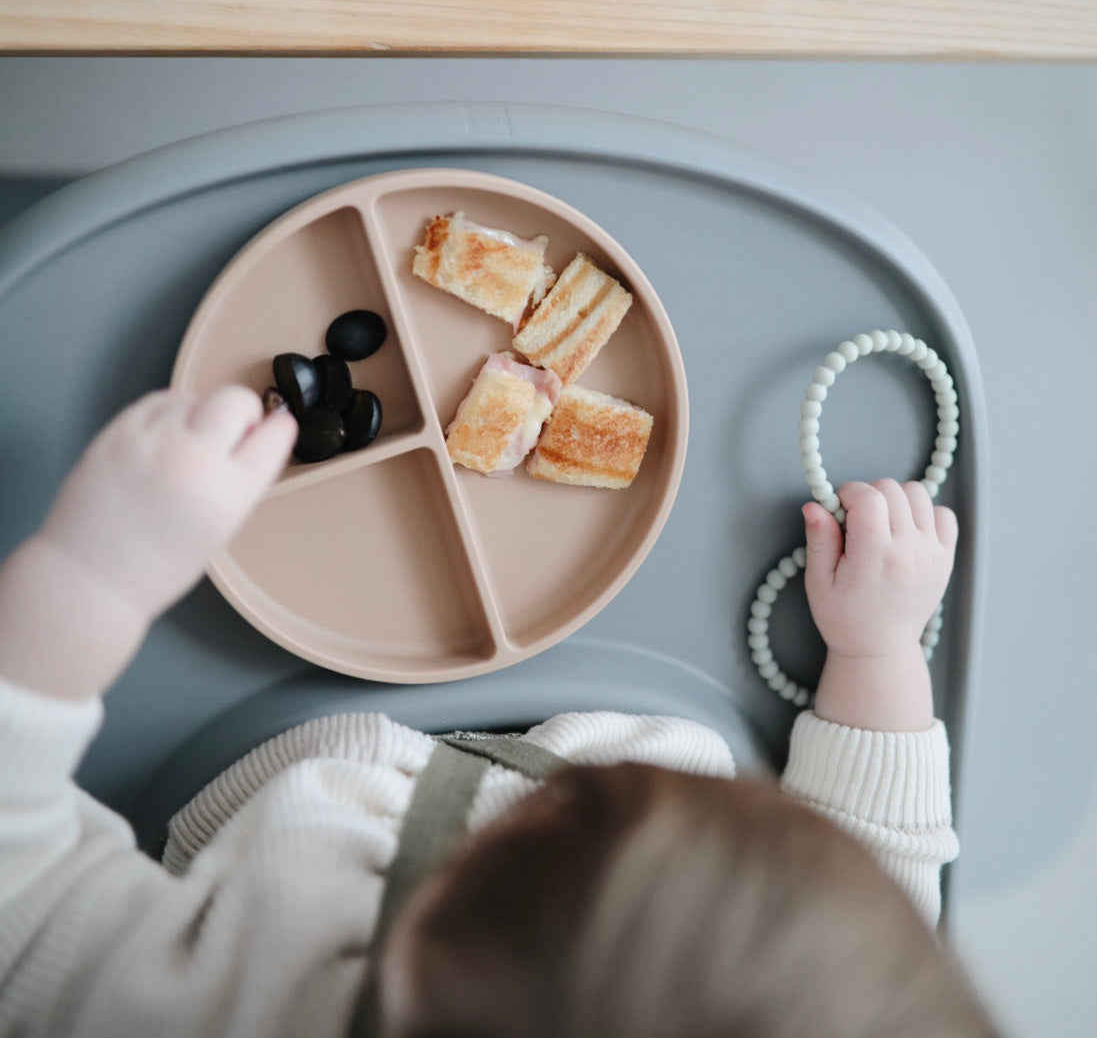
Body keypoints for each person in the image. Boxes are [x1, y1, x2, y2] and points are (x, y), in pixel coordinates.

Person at [0, 385, 995, 1037]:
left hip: (240, 716)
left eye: (525, 840)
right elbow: (879, 843)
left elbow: (19, 888)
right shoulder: (842, 980)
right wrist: (877, 645)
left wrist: (93, 574)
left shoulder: (217, 1009)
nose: (568, 798)